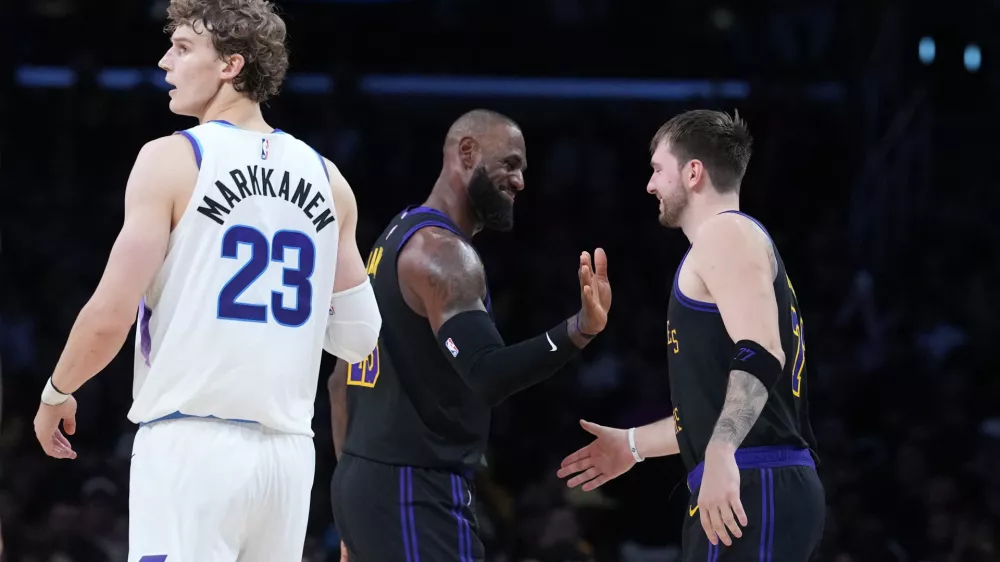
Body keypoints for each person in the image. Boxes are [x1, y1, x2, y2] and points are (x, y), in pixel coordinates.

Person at [31, 1, 381, 560]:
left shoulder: (171, 159)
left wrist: (57, 391)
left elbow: (110, 314)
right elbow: (358, 338)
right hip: (288, 460)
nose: (166, 62)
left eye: (183, 48)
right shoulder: (329, 179)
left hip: (191, 445)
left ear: (230, 66)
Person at [328, 109, 612, 561]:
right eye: (510, 163)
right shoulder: (444, 255)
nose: (519, 181)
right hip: (413, 489)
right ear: (467, 152)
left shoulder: (393, 237)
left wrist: (353, 506)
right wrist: (580, 329)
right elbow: (487, 373)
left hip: (368, 483)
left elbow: (339, 383)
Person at [556, 109, 824, 561]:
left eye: (658, 169)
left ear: (693, 172)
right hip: (745, 475)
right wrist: (634, 446)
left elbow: (762, 353)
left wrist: (720, 450)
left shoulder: (726, 234)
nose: (650, 185)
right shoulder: (722, 247)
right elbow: (711, 410)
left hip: (754, 477)